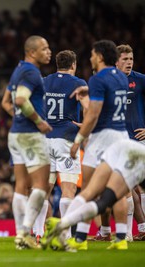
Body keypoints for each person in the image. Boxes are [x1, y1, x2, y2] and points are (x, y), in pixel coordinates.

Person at [66, 40, 129, 250]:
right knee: (116, 190)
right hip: (122, 135)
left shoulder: (97, 78)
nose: (91, 58)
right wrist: (88, 89)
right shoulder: (120, 76)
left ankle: (81, 239)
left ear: (100, 56)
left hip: (103, 136)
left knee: (89, 188)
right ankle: (121, 239)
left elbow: (93, 114)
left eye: (93, 54)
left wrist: (77, 141)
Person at [42, 139, 145, 251]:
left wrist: (81, 135)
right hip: (122, 146)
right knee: (111, 195)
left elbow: (92, 121)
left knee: (99, 194)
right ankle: (120, 237)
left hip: (117, 145)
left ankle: (65, 227)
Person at [5, 35, 52, 249]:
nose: (48, 51)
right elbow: (21, 100)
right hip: (30, 135)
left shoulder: (18, 70)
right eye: (44, 48)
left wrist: (18, 118)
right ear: (32, 52)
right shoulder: (32, 72)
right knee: (41, 186)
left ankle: (19, 236)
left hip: (15, 134)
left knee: (20, 186)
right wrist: (38, 122)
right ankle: (25, 233)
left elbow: (6, 102)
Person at [37, 50, 88, 239]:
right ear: (73, 65)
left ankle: (38, 233)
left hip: (45, 141)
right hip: (66, 140)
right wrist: (85, 125)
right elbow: (89, 109)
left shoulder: (44, 81)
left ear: (57, 64)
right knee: (68, 189)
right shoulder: (79, 83)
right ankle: (65, 235)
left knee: (43, 190)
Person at [114, 44, 145, 242]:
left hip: (139, 141)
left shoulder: (141, 80)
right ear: (116, 61)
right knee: (127, 187)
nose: (129, 63)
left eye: (131, 59)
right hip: (119, 143)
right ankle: (132, 231)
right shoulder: (110, 82)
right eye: (125, 59)